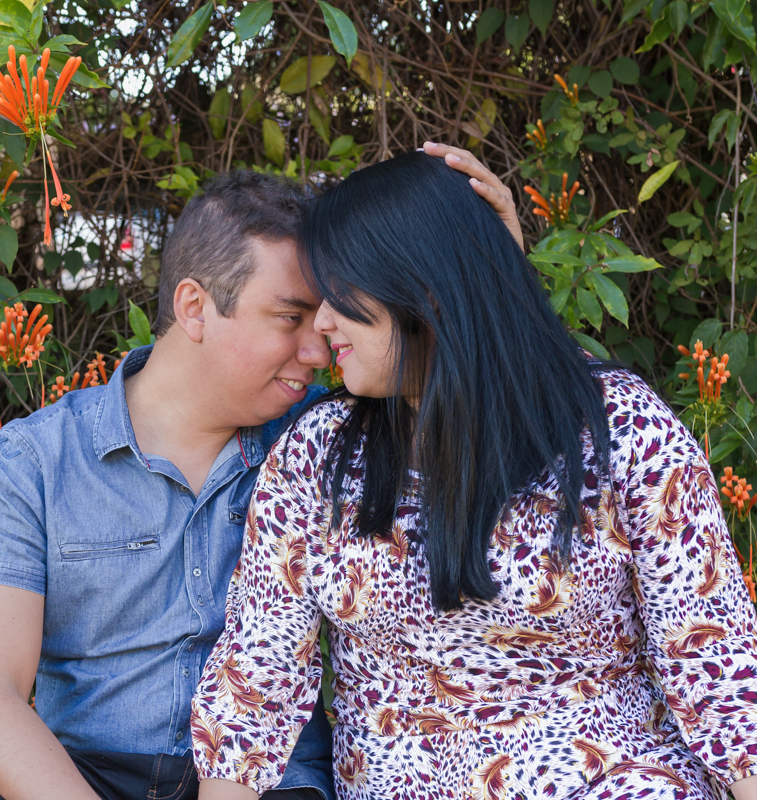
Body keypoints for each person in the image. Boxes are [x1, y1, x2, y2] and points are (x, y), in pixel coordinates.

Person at [0, 144, 523, 800]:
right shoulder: (36, 462)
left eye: (327, 315)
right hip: (82, 777)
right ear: (195, 307)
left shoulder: (331, 441)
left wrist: (493, 271)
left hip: (273, 779)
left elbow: (480, 403)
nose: (320, 347)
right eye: (290, 317)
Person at [191, 151, 757, 800]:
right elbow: (255, 680)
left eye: (340, 295)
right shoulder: (318, 457)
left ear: (423, 288)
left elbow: (716, 662)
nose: (321, 326)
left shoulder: (618, 427)